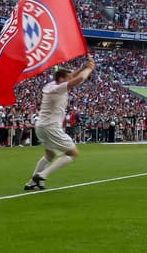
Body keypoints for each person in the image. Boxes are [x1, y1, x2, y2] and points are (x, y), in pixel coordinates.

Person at [23, 59, 96, 191]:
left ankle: (32, 182)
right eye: (67, 78)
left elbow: (73, 75)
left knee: (49, 155)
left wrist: (82, 66)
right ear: (61, 79)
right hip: (51, 127)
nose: (70, 79)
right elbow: (79, 79)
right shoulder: (59, 88)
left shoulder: (51, 85)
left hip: (41, 126)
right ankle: (42, 175)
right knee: (73, 153)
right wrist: (89, 68)